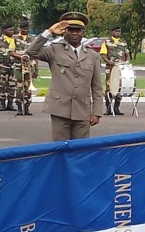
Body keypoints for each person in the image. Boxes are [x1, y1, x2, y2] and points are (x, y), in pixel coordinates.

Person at [25, 12, 103, 140]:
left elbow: (97, 87)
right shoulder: (54, 50)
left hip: (82, 110)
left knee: (80, 148)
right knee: (60, 147)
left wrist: (97, 112)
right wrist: (49, 31)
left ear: (83, 32)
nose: (74, 33)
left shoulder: (93, 55)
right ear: (65, 32)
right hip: (59, 108)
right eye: (71, 30)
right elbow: (30, 51)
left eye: (78, 30)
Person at [100, 25, 131, 116]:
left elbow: (127, 54)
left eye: (119, 31)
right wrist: (108, 61)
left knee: (119, 87)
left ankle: (116, 107)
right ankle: (108, 107)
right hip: (110, 68)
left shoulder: (123, 42)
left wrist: (127, 61)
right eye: (116, 31)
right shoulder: (107, 42)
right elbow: (103, 54)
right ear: (112, 32)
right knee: (109, 87)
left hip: (120, 68)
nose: (118, 33)